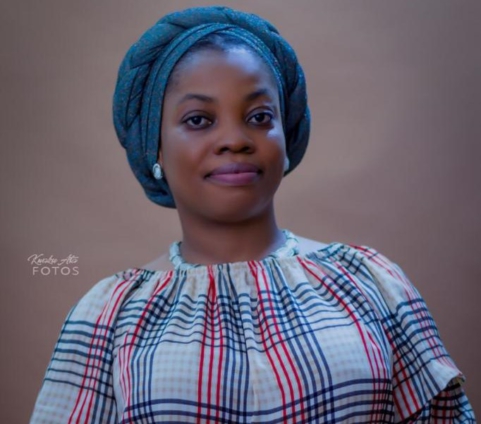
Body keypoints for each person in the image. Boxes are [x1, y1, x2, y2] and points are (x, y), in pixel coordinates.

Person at [30, 6, 475, 423]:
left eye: (260, 116)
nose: (235, 139)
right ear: (155, 149)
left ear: (287, 137)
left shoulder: (371, 283)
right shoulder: (110, 316)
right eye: (199, 120)